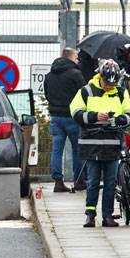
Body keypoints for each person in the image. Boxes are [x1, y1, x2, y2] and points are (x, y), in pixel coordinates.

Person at [70, 59, 130, 228]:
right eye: (107, 83)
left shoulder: (120, 93)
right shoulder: (86, 91)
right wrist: (94, 116)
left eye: (113, 84)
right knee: (92, 181)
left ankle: (107, 216)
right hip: (91, 144)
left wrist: (120, 119)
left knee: (110, 182)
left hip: (112, 143)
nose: (109, 86)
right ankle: (90, 215)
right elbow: (76, 112)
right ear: (101, 77)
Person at [43, 47, 86, 193]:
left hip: (55, 117)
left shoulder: (49, 75)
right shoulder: (75, 74)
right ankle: (79, 180)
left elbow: (47, 94)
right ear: (70, 57)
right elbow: (84, 94)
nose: (77, 60)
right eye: (76, 57)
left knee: (56, 150)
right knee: (77, 149)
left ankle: (58, 181)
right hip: (73, 117)